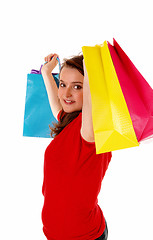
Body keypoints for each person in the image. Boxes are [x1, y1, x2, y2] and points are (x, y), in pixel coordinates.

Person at [41, 53, 112, 240]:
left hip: (86, 236)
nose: (66, 94)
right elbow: (57, 105)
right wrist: (47, 73)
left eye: (78, 87)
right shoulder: (69, 122)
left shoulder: (92, 128)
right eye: (63, 84)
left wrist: (92, 67)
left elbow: (91, 101)